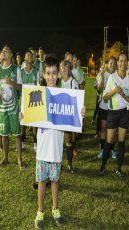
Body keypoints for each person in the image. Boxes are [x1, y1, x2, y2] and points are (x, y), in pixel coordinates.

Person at [20, 57, 85, 229]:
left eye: (54, 73)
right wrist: (24, 116)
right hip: (42, 149)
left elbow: (73, 116)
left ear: (58, 74)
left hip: (56, 149)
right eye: (48, 73)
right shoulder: (38, 94)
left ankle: (55, 208)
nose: (50, 77)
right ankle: (40, 211)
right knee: (42, 181)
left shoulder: (65, 96)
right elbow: (29, 118)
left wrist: (80, 112)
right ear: (43, 74)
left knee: (55, 181)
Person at [99, 52, 129, 179]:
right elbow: (104, 98)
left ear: (128, 63)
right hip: (113, 113)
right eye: (120, 61)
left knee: (121, 142)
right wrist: (114, 91)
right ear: (118, 63)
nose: (122, 63)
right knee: (109, 142)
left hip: (124, 113)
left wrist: (124, 96)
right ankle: (102, 166)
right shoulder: (112, 78)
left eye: (125, 61)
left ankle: (119, 169)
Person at [0, 44, 25, 170]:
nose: (4, 52)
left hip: (13, 108)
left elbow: (22, 87)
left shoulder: (16, 70)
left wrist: (12, 83)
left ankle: (19, 159)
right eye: (3, 51)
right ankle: (5, 158)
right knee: (4, 134)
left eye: (7, 51)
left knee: (17, 134)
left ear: (11, 55)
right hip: (2, 108)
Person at [59, 59, 79, 173]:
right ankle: (58, 163)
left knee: (68, 141)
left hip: (67, 117)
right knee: (58, 141)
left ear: (66, 68)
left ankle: (70, 163)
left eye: (61, 67)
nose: (60, 69)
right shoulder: (58, 82)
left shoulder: (73, 82)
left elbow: (77, 100)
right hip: (58, 116)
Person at [96, 57, 117, 160]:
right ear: (107, 64)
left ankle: (112, 149)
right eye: (110, 63)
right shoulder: (103, 74)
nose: (112, 65)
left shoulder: (118, 75)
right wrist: (103, 76)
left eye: (113, 63)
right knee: (104, 128)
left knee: (112, 129)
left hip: (115, 106)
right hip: (104, 106)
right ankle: (103, 149)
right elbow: (100, 89)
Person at [20, 50, 40, 151]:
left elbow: (38, 86)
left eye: (31, 56)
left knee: (34, 122)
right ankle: (22, 141)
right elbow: (19, 86)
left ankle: (35, 142)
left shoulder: (36, 71)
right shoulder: (21, 72)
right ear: (25, 59)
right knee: (23, 122)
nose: (30, 57)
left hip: (34, 99)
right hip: (24, 100)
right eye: (28, 56)